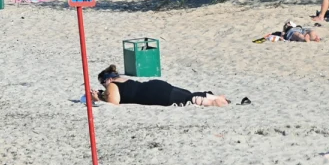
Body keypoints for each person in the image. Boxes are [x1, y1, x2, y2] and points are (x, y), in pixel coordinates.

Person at [94, 65, 230, 107]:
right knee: (188, 95)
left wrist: (98, 99)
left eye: (103, 83)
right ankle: (216, 97)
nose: (103, 86)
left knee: (187, 101)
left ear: (109, 79)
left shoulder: (112, 85)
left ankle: (215, 103)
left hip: (152, 94)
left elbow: (113, 104)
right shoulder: (123, 79)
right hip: (156, 86)